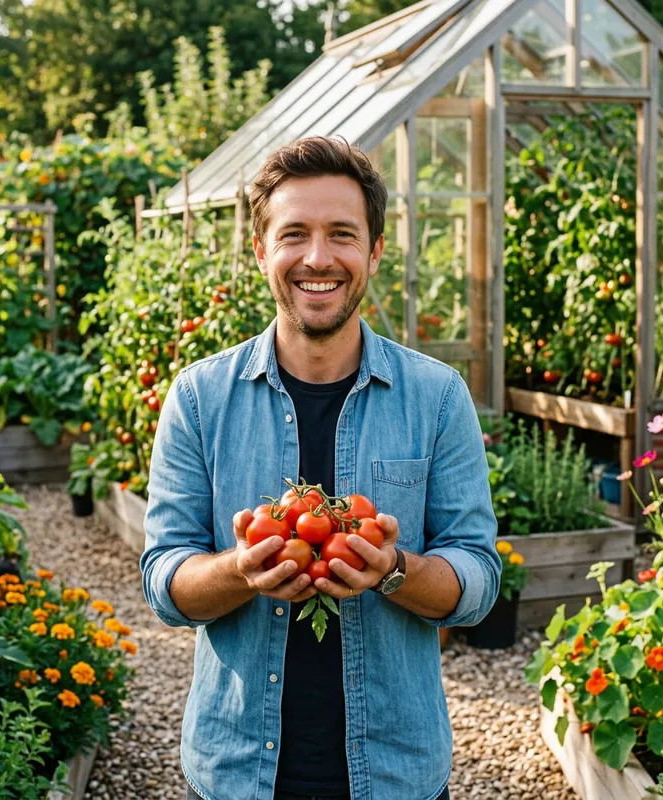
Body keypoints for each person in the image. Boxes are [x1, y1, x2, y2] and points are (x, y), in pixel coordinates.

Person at [140, 136, 500, 800]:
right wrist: (240, 571)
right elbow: (165, 581)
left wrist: (394, 570)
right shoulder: (198, 399)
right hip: (237, 777)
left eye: (341, 234)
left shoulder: (438, 396)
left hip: (396, 777)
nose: (317, 258)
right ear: (259, 252)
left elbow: (476, 578)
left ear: (375, 252)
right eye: (294, 234)